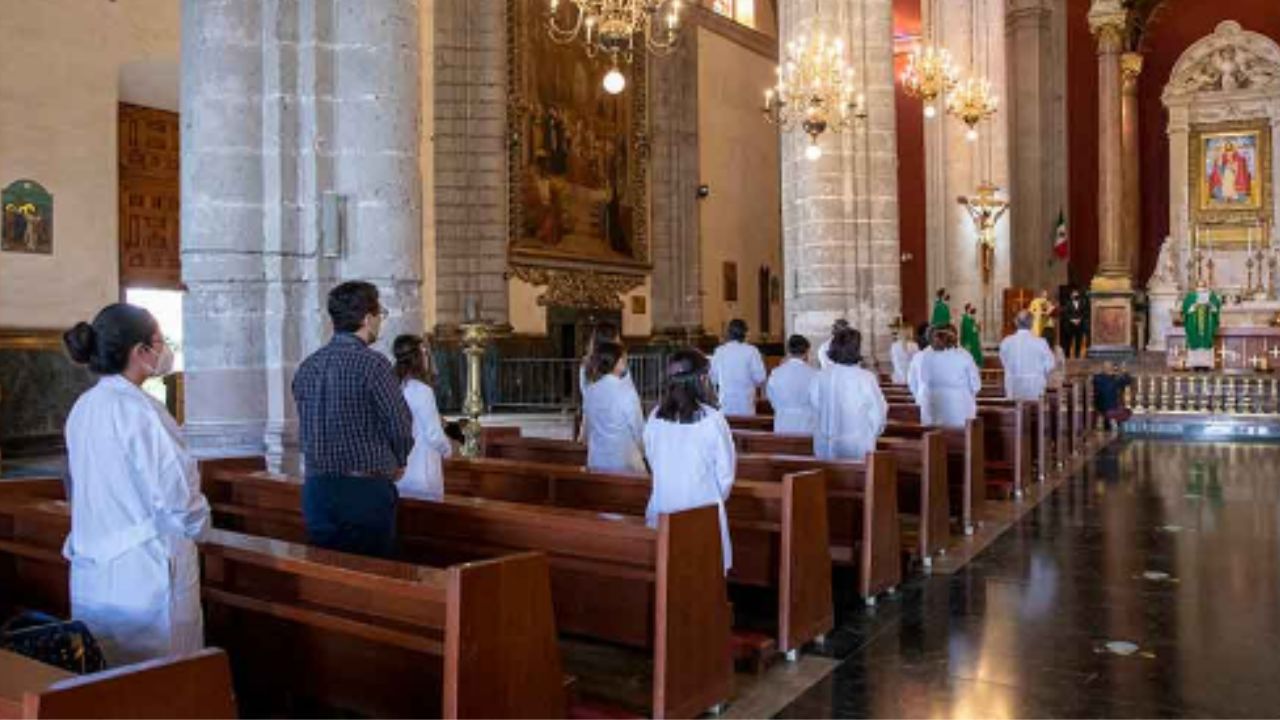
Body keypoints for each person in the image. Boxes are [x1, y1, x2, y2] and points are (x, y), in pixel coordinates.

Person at [62, 304, 210, 665]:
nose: (165, 351)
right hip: (147, 571)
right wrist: (200, 526)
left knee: (110, 680)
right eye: (160, 342)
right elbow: (179, 498)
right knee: (164, 680)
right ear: (140, 352)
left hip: (96, 567)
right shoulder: (142, 411)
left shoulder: (84, 406)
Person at [293, 281, 414, 558]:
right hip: (364, 491)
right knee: (372, 578)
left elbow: (306, 427)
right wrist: (400, 460)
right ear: (368, 318)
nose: (380, 322)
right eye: (379, 315)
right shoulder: (374, 365)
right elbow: (399, 424)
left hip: (316, 489)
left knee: (329, 576)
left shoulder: (308, 366)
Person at [643, 349, 736, 573]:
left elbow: (652, 460)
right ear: (701, 379)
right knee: (703, 575)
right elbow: (725, 475)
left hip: (664, 504)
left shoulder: (655, 417)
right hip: (702, 509)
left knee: (669, 573)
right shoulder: (712, 420)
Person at [810, 326, 888, 460]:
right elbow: (878, 412)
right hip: (856, 443)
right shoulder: (865, 377)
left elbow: (815, 406)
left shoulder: (820, 376)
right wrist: (870, 433)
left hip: (826, 442)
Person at [393, 335, 452, 500]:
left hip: (399, 473)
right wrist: (448, 450)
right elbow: (434, 436)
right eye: (425, 353)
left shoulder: (394, 387)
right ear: (418, 358)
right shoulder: (422, 390)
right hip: (422, 472)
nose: (427, 358)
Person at [582, 341, 647, 473]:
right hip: (624, 462)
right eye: (622, 359)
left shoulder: (591, 390)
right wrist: (644, 452)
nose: (625, 362)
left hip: (597, 461)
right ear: (615, 363)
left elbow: (589, 428)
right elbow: (638, 428)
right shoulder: (626, 391)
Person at [913, 324, 981, 428]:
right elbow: (976, 385)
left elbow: (920, 381)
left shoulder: (926, 356)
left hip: (933, 403)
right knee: (960, 436)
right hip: (960, 404)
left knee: (935, 436)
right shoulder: (963, 355)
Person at [710, 319, 766, 416]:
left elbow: (712, 378)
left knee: (727, 430)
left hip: (725, 403)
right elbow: (760, 378)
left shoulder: (719, 351)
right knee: (746, 429)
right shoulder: (751, 351)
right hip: (745, 403)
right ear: (745, 333)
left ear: (729, 333)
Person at [999, 310, 1057, 402]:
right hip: (1035, 387)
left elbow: (1004, 362)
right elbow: (1050, 364)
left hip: (1013, 386)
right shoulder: (1041, 343)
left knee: (1015, 413)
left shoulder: (1006, 342)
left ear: (1016, 322)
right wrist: (1038, 372)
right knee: (1035, 414)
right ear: (1032, 323)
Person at [766, 334, 818, 433]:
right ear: (807, 352)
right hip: (807, 426)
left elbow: (771, 396)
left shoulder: (776, 372)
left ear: (788, 351)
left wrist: (782, 408)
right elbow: (817, 401)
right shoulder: (814, 374)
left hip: (783, 424)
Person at [1092, 363, 1133, 431]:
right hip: (1109, 409)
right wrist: (1123, 372)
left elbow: (1127, 381)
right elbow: (1126, 380)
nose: (1112, 370)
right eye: (1112, 368)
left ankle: (1111, 422)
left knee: (1125, 412)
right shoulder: (1112, 380)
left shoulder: (1099, 378)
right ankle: (1113, 423)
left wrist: (1122, 373)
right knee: (1127, 412)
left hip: (1102, 409)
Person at [1061, 288, 1088, 359]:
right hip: (1070, 325)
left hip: (1079, 324)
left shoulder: (1082, 302)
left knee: (1078, 340)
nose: (1075, 295)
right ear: (1071, 295)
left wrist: (1079, 319)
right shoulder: (1067, 303)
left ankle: (1077, 355)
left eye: (1077, 294)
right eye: (1074, 294)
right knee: (1068, 341)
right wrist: (1072, 320)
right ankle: (1067, 356)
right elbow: (1065, 313)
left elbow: (1084, 312)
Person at [960, 303, 983, 369]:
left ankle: (976, 366)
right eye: (970, 308)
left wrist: (978, 326)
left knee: (975, 357)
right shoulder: (965, 318)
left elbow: (976, 328)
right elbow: (967, 329)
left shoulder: (971, 317)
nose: (971, 310)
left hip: (974, 340)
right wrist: (974, 328)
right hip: (968, 341)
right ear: (967, 309)